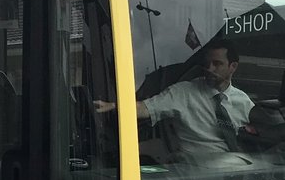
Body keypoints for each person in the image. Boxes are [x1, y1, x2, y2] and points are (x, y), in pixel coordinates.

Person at [97, 39, 254, 157]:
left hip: (235, 171)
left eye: (217, 64)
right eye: (207, 63)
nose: (209, 69)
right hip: (194, 171)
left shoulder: (243, 102)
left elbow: (260, 132)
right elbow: (146, 108)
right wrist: (114, 106)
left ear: (233, 67)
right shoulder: (183, 92)